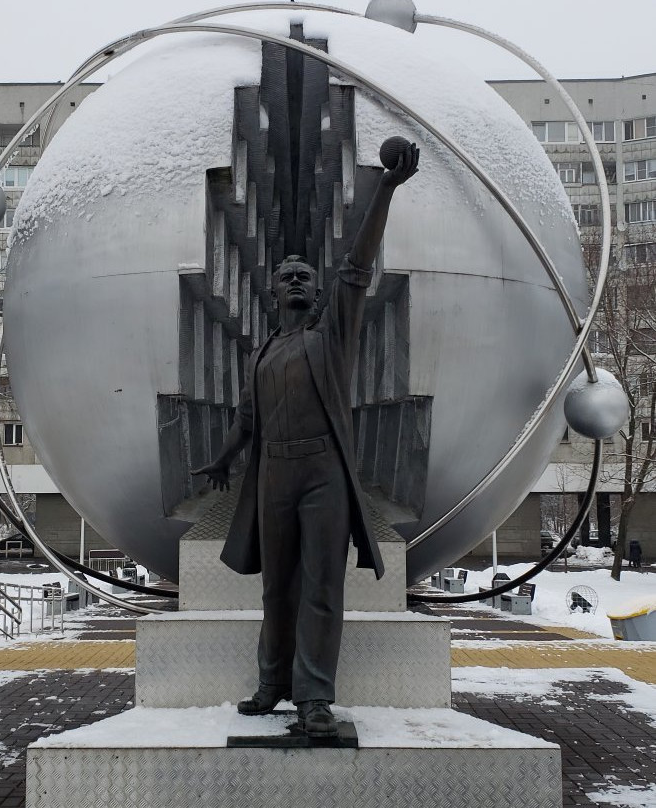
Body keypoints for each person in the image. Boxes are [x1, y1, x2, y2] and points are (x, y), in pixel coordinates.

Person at [193, 140, 419, 737]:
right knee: (276, 590)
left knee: (321, 586)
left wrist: (385, 190)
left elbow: (358, 268)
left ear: (316, 293)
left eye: (305, 277)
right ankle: (273, 684)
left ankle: (314, 696)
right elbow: (248, 414)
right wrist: (222, 459)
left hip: (322, 474)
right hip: (273, 475)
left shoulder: (330, 336)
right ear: (273, 292)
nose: (297, 282)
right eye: (287, 277)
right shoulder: (264, 352)